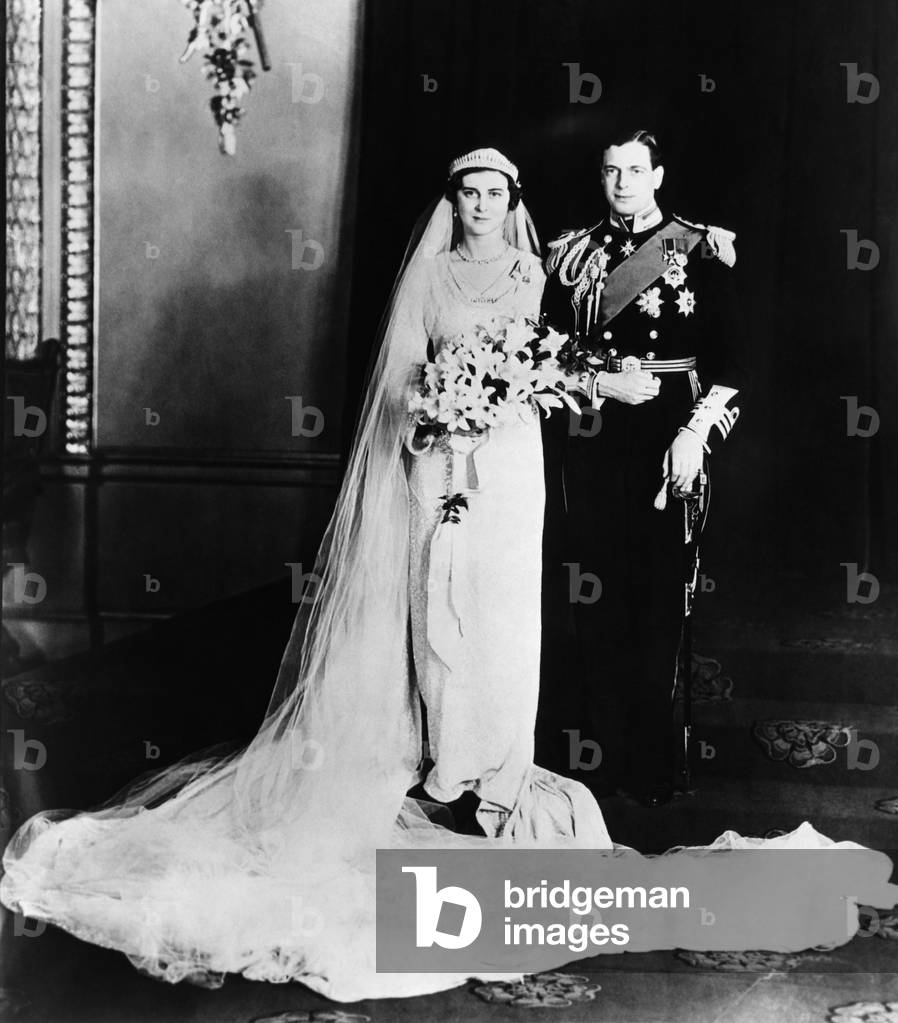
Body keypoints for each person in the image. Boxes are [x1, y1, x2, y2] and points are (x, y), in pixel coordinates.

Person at [2, 146, 892, 1005]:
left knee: (508, 615)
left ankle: (501, 760)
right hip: (443, 464)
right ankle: (444, 761)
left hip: (514, 470)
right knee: (441, 612)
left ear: (514, 202)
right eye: (468, 193)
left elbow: (562, 356)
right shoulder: (430, 277)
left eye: (496, 194)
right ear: (454, 200)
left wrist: (582, 382)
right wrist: (440, 414)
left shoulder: (543, 270)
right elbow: (402, 385)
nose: (482, 207)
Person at [540, 129, 745, 807]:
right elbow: (549, 349)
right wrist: (600, 386)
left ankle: (652, 765)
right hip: (596, 435)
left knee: (659, 596)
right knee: (597, 596)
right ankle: (602, 761)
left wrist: (696, 434)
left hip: (669, 431)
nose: (622, 182)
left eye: (635, 169)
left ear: (658, 174)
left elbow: (734, 360)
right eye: (610, 171)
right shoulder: (574, 255)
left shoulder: (698, 246)